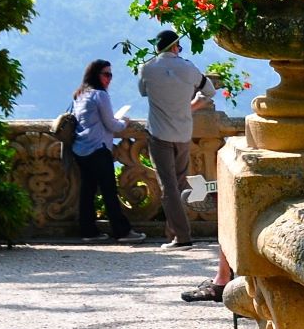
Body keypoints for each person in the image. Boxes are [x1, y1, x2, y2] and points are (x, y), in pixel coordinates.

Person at [138, 29, 212, 251]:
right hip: (183, 133)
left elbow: (143, 91)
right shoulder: (188, 68)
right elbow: (209, 91)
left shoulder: (147, 69)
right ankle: (175, 233)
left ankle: (181, 237)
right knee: (178, 186)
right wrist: (193, 105)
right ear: (174, 47)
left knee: (168, 188)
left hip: (159, 134)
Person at [71, 59, 144, 243]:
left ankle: (88, 231)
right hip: (98, 148)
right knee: (109, 191)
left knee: (87, 191)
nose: (109, 79)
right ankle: (122, 231)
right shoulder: (100, 95)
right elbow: (113, 125)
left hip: (80, 149)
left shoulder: (80, 95)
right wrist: (125, 122)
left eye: (110, 75)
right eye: (106, 74)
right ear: (96, 75)